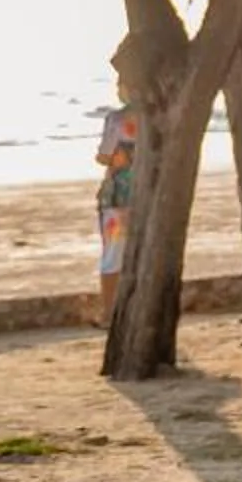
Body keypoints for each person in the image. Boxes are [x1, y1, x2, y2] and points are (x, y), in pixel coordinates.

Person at [94, 55, 141, 323]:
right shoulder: (157, 117)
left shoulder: (116, 120)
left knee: (112, 255)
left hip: (117, 197)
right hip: (146, 195)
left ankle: (110, 313)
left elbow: (104, 155)